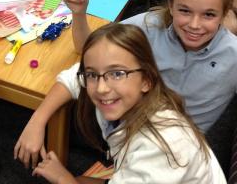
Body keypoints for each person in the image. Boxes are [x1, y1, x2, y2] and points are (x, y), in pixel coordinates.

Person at [14, 0, 237, 171]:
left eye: (209, 14)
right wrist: (79, 13)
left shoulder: (233, 55)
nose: (195, 25)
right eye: (185, 11)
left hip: (174, 158)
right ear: (170, 5)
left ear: (225, 12)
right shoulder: (150, 26)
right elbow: (90, 53)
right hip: (127, 132)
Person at [27, 24, 227, 183]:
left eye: (117, 73)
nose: (101, 88)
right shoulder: (129, 98)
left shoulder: (163, 148)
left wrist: (63, 178)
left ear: (146, 80)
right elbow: (73, 77)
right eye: (92, 74)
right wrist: (36, 122)